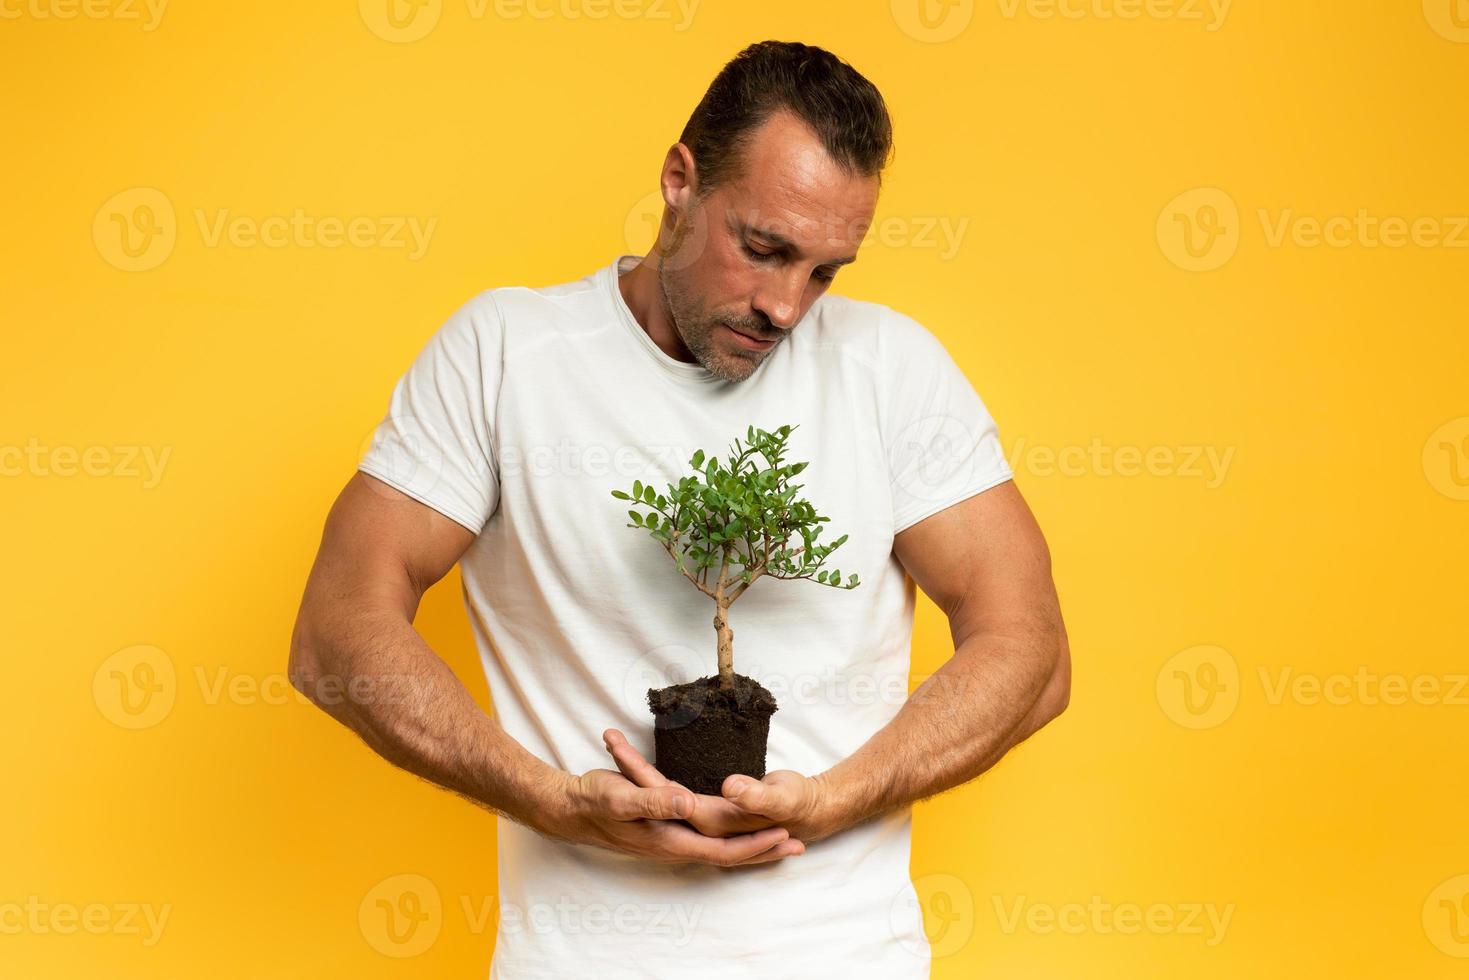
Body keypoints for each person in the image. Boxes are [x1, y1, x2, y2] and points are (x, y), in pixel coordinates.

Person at [289, 39, 1070, 979]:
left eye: (824, 271)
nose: (786, 307)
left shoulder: (890, 370)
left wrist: (838, 795)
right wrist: (550, 800)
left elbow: (1030, 650)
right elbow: (336, 630)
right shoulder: (506, 353)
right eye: (763, 247)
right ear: (678, 182)